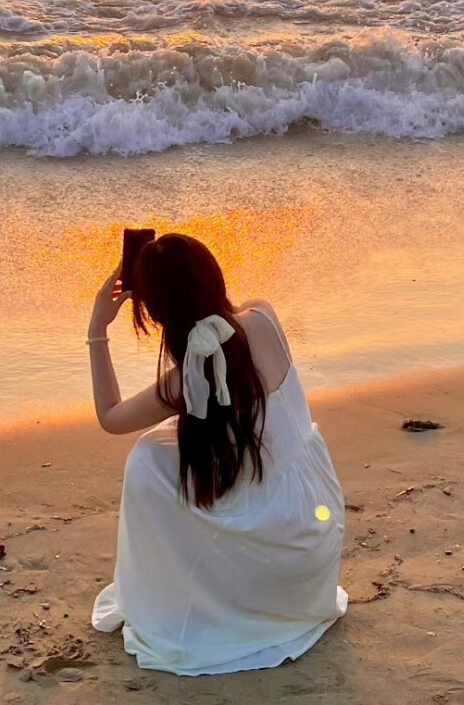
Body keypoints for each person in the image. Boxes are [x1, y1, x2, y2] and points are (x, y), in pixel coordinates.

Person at [87, 232, 347, 676]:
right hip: (310, 540)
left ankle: (178, 595)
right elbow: (226, 324)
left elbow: (110, 416)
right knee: (172, 441)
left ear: (155, 310)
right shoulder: (263, 316)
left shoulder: (186, 379)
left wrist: (97, 329)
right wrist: (185, 282)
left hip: (268, 554)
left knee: (147, 460)